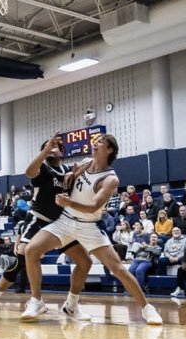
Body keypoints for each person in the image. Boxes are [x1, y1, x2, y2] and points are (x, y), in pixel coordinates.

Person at [24, 134, 162, 324]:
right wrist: (69, 176)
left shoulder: (110, 179)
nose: (95, 144)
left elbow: (94, 207)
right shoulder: (86, 162)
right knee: (32, 250)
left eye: (100, 143)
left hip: (89, 225)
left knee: (118, 268)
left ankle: (148, 309)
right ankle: (37, 301)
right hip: (65, 220)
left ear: (110, 150)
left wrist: (68, 201)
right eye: (95, 142)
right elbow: (71, 178)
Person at [0, 137, 98, 320]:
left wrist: (80, 172)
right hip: (38, 220)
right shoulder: (43, 169)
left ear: (62, 151)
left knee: (85, 262)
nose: (50, 150)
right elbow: (28, 171)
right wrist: (44, 151)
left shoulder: (68, 171)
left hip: (61, 224)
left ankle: (71, 306)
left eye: (54, 147)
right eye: (46, 148)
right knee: (21, 259)